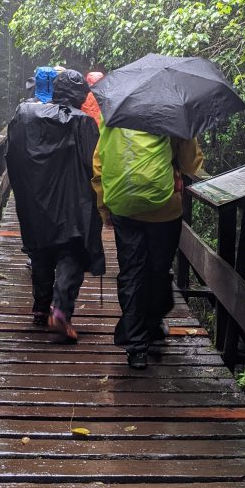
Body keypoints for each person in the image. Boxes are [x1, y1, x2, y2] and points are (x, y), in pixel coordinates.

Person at [92, 132, 207, 368]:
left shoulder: (116, 111)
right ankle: (153, 324)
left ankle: (136, 347)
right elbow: (190, 165)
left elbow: (99, 164)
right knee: (158, 268)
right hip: (165, 207)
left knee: (131, 271)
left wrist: (104, 207)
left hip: (124, 204)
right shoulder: (175, 114)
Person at [6, 69, 104, 343]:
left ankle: (40, 308)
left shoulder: (25, 115)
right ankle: (60, 310)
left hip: (37, 200)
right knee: (72, 251)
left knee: (41, 251)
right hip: (75, 203)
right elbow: (94, 164)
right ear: (79, 94)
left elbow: (12, 155)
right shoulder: (84, 122)